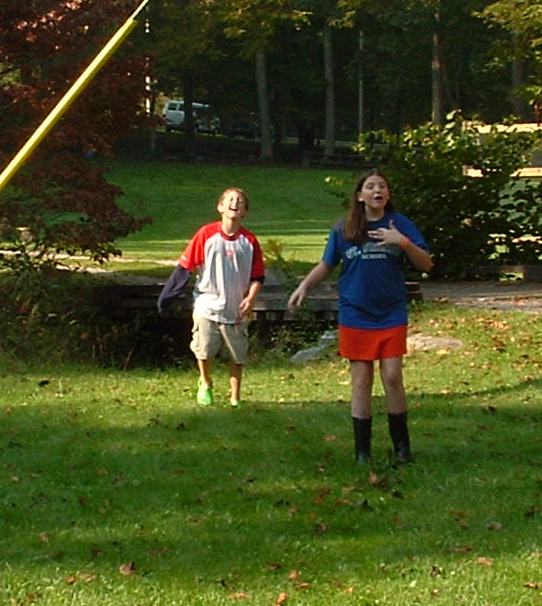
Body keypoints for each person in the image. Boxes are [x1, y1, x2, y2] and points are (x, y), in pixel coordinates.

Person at [288, 169, 432, 466]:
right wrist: (304, 286)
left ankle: (402, 449)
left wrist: (402, 242)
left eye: (382, 186)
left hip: (391, 312)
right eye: (371, 186)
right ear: (360, 196)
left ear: (387, 195)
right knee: (361, 381)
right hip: (356, 314)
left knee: (392, 376)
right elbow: (327, 264)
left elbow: (427, 264)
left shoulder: (400, 224)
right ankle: (362, 453)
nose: (377, 190)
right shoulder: (344, 228)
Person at [162, 186, 265, 407]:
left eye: (240, 201)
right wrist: (168, 296)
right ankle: (206, 382)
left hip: (236, 308)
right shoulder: (206, 234)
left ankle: (235, 397)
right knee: (204, 350)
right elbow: (185, 266)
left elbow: (258, 277)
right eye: (230, 200)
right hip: (207, 305)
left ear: (245, 211)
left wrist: (251, 299)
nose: (235, 203)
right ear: (220, 207)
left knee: (237, 356)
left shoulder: (249, 241)